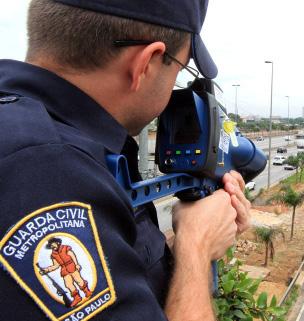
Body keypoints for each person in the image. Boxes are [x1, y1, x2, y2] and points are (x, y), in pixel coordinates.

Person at [0, 1, 251, 320]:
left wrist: (197, 232)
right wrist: (196, 247)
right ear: (145, 63)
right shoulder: (51, 174)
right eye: (180, 68)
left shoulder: (43, 143)